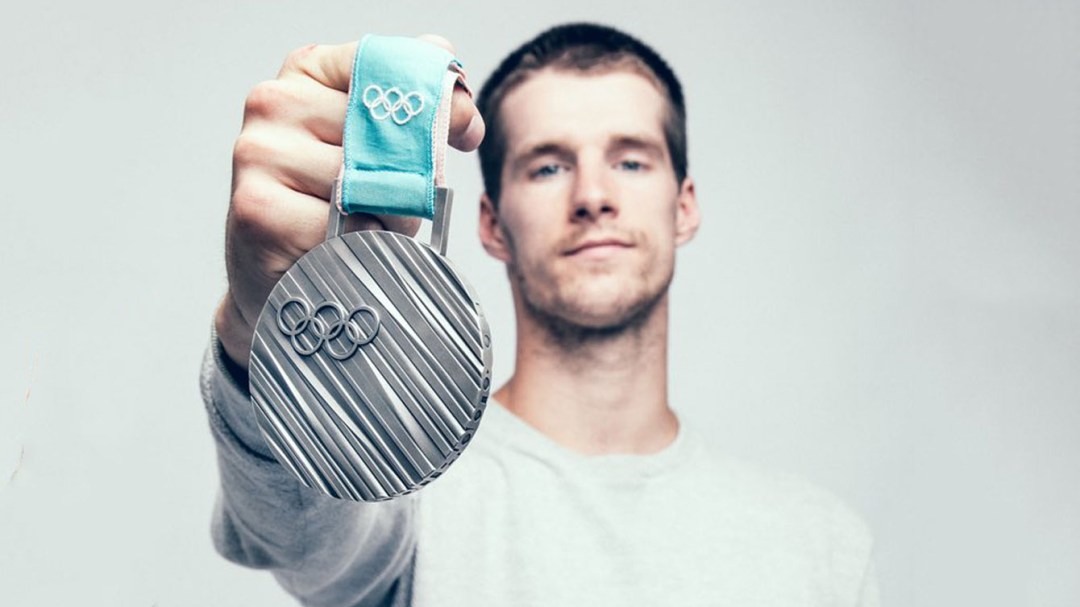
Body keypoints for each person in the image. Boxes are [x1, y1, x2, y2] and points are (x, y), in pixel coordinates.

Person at [202, 23, 880, 606]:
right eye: (549, 167)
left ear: (685, 206)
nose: (593, 196)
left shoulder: (823, 547)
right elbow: (297, 530)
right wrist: (270, 327)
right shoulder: (406, 500)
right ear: (491, 223)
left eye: (632, 161)